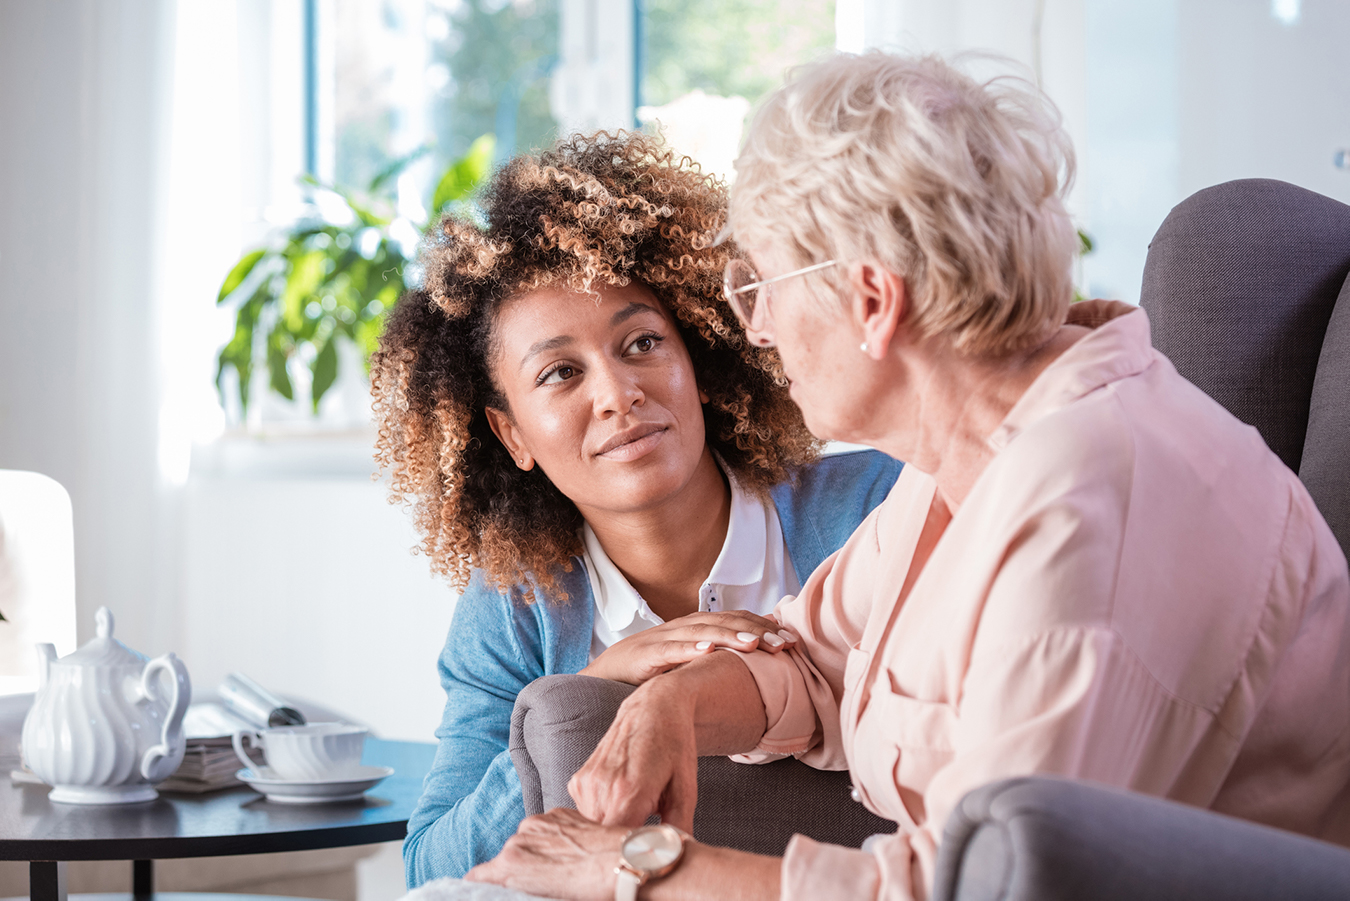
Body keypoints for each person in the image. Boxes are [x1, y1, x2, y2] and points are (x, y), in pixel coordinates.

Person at [464, 53, 1350, 900]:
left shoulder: (1094, 502)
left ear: (873, 300)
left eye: (761, 283)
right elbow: (811, 660)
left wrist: (637, 867)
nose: (758, 327)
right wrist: (677, 701)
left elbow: (984, 882)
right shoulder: (964, 461)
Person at [370, 131, 903, 886]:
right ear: (511, 432)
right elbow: (431, 866)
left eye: (643, 342)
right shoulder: (516, 609)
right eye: (560, 372)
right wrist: (597, 686)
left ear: (697, 359)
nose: (619, 393)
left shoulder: (876, 505)